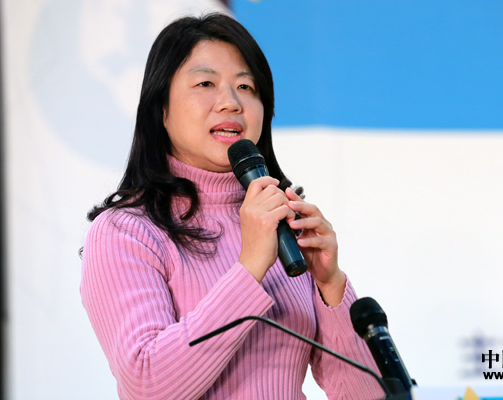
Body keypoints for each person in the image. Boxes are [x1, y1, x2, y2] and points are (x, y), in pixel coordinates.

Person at [81, 13, 384, 400]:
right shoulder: (127, 232)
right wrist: (250, 266)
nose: (230, 102)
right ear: (161, 109)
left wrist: (331, 285)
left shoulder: (284, 223)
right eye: (205, 83)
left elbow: (369, 395)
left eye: (246, 87)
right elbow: (148, 385)